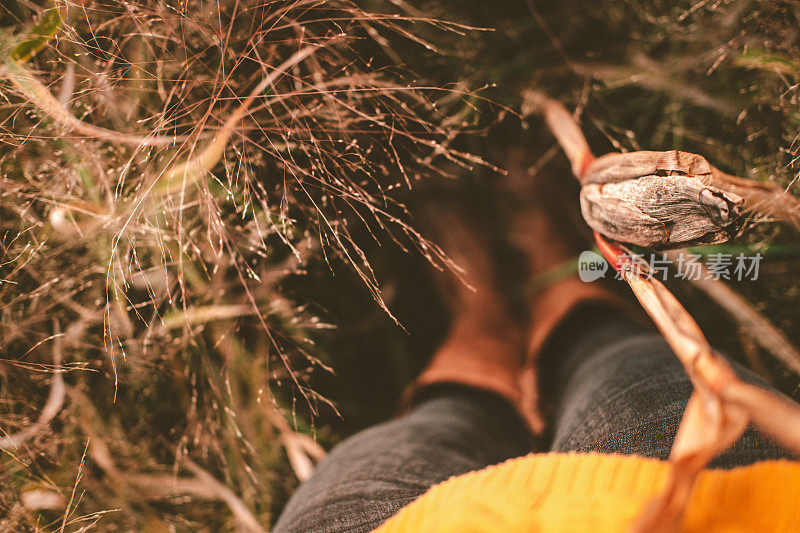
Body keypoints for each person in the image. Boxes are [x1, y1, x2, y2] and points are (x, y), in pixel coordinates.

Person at [274, 152, 799, 532]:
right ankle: (563, 299)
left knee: (431, 428)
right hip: (709, 509)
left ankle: (485, 331)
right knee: (629, 367)